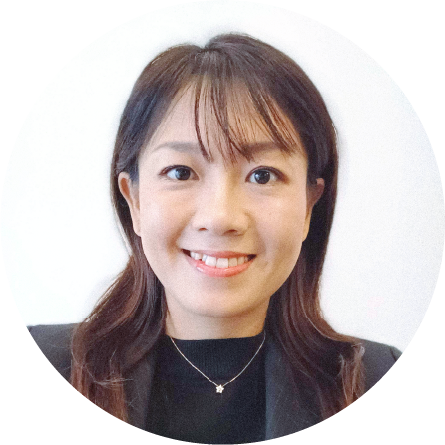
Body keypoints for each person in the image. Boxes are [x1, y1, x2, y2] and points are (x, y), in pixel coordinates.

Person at [28, 33, 401, 443]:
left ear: (310, 205)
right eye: (181, 172)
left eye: (262, 175)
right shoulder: (33, 370)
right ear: (134, 199)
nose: (220, 218)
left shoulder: (380, 383)